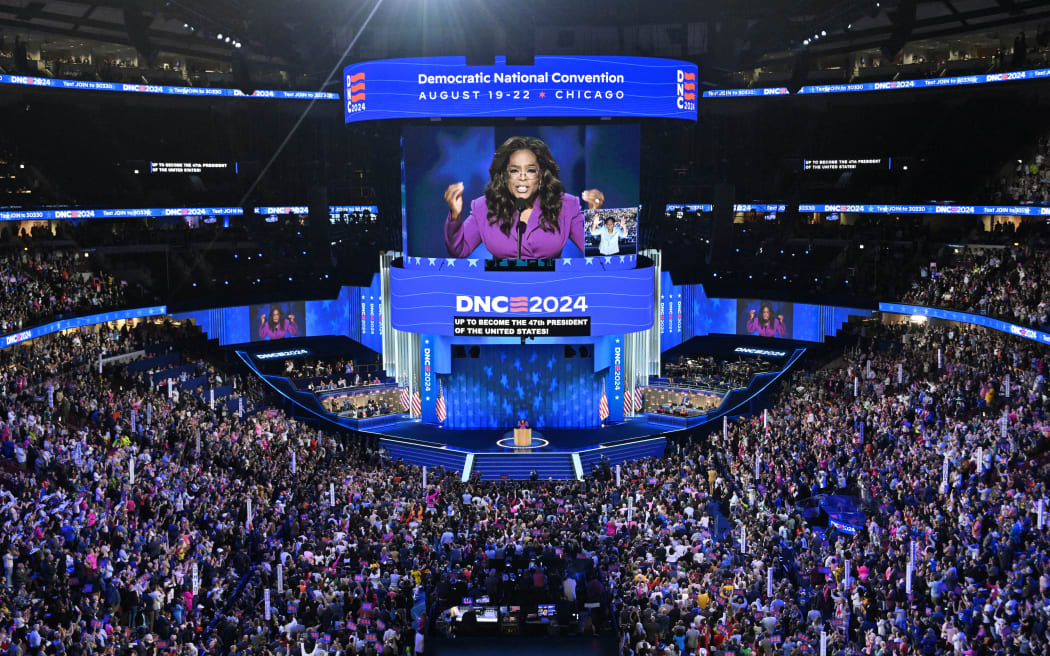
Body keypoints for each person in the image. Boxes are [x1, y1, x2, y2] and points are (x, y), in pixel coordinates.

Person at [443, 136, 604, 259]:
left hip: (553, 294)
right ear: (504, 177)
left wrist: (595, 217)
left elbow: (600, 253)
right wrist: (455, 215)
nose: (522, 177)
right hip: (501, 293)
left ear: (541, 176)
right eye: (514, 170)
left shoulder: (567, 205)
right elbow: (459, 250)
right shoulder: (484, 207)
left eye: (531, 170)